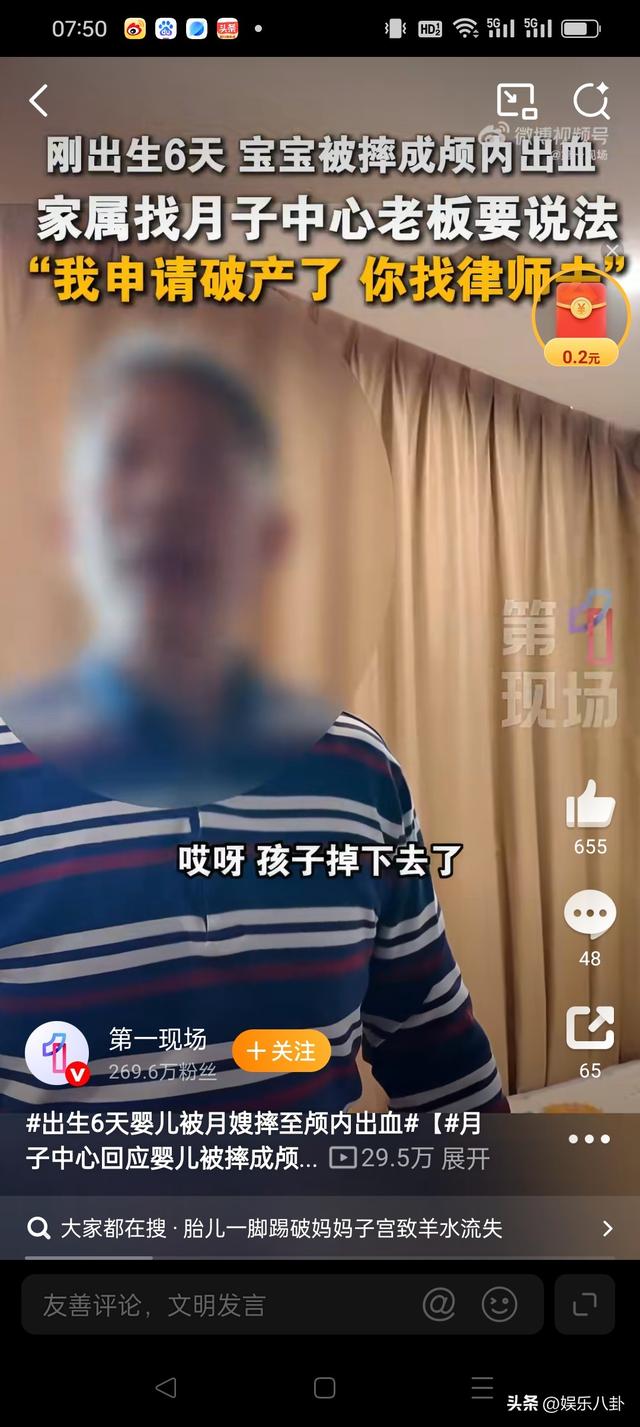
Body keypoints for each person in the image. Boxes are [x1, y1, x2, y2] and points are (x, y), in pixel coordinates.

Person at [0, 339, 509, 1113]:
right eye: (126, 460)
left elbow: (434, 1044)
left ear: (269, 537)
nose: (166, 498)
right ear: (68, 530)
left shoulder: (356, 767)